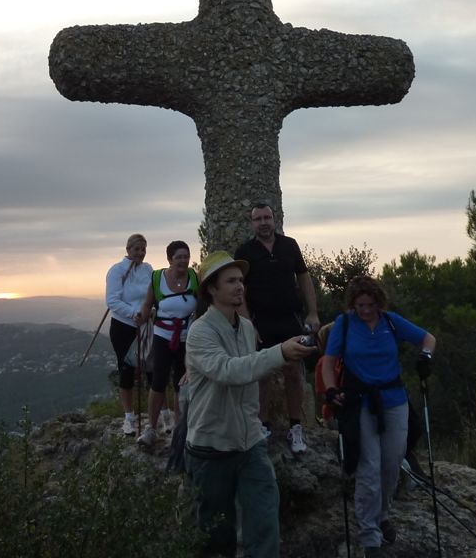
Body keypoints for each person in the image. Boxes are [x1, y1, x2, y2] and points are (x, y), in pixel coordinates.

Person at [184, 250, 316, 558]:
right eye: (231, 281)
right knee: (217, 535)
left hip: (250, 443)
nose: (240, 286)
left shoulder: (244, 327)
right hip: (211, 448)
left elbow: (251, 373)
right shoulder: (200, 332)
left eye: (241, 280)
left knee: (265, 520)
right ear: (211, 289)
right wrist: (280, 353)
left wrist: (294, 352)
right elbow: (230, 371)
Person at [320, 275, 436, 557]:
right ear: (353, 303)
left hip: (394, 400)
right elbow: (328, 362)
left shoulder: (391, 321)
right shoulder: (344, 324)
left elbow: (428, 338)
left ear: (379, 302)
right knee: (369, 467)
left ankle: (383, 514)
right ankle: (370, 535)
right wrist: (331, 390)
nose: (365, 310)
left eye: (370, 304)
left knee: (392, 462)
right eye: (360, 305)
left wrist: (426, 356)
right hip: (360, 402)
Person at [234, 202, 319, 453]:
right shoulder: (245, 251)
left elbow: (304, 278)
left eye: (267, 217)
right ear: (252, 223)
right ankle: (263, 426)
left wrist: (313, 312)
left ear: (274, 219)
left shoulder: (289, 245)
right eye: (258, 219)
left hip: (289, 318)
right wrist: (247, 324)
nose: (263, 223)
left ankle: (296, 427)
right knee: (262, 374)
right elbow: (239, 289)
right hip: (261, 320)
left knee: (293, 373)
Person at [137, 239, 198, 446]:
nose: (183, 261)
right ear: (169, 259)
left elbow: (202, 304)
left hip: (187, 337)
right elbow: (148, 304)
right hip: (162, 336)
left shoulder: (194, 277)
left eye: (186, 257)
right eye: (179, 257)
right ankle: (151, 428)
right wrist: (142, 316)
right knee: (158, 381)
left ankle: (179, 430)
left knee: (182, 382)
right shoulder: (157, 278)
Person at [105, 233, 154, 435]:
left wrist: (151, 312)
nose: (140, 253)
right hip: (124, 326)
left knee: (152, 370)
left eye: (143, 249)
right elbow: (112, 301)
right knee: (126, 371)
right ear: (128, 249)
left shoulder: (148, 269)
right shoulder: (116, 271)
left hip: (146, 325)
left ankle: (157, 417)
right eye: (136, 249)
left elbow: (154, 294)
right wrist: (135, 314)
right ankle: (129, 419)